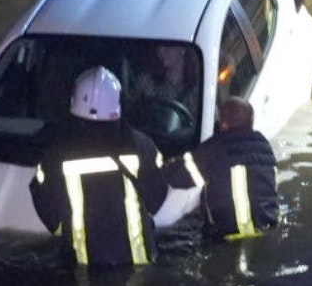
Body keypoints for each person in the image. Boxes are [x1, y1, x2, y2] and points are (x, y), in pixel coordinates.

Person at [30, 66, 170, 268]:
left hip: (83, 266)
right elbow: (156, 197)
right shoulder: (142, 145)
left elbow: (47, 208)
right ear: (118, 103)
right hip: (139, 261)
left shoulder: (56, 153)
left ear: (74, 101)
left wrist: (70, 227)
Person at [163, 96, 281, 239]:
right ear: (251, 122)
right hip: (268, 227)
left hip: (230, 235)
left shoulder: (214, 147)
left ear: (223, 124)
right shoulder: (264, 145)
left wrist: (166, 163)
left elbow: (179, 179)